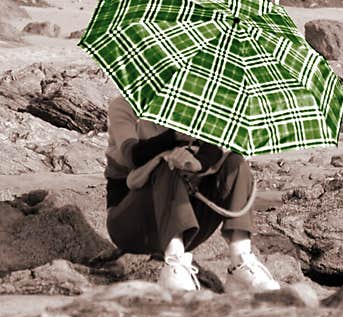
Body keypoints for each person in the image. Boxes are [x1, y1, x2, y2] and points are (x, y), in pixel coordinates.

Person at [104, 94, 280, 293]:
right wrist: (173, 139)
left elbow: (214, 150)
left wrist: (196, 163)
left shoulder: (192, 104)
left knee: (234, 163)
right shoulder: (123, 105)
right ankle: (174, 262)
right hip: (132, 223)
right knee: (167, 164)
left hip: (187, 225)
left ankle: (240, 262)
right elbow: (132, 155)